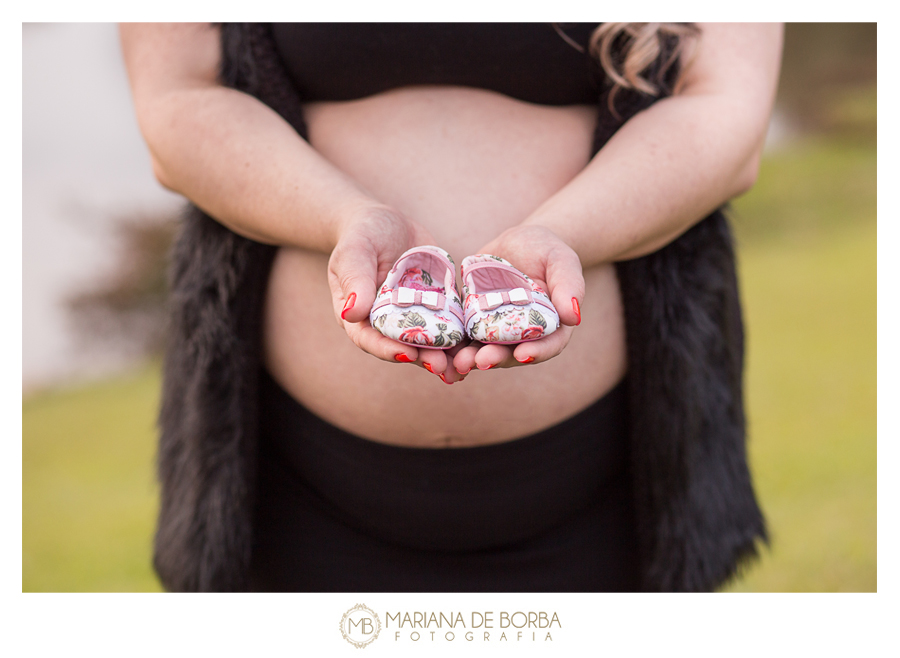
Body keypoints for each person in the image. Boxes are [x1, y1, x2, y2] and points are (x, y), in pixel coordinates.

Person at [121, 22, 784, 592]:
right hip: (293, 483)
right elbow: (176, 102)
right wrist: (345, 219)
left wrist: (562, 239)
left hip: (606, 477)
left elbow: (727, 114)